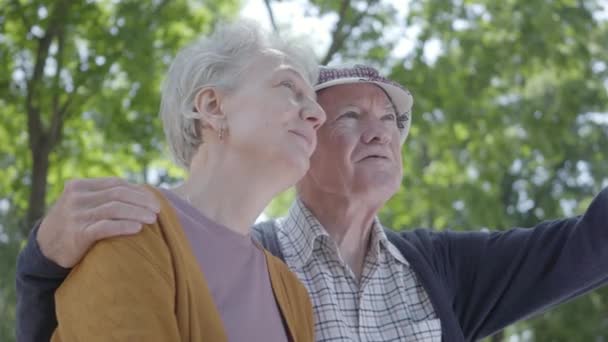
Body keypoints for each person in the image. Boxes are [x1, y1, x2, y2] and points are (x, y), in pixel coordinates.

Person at [17, 63, 608, 341]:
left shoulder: (444, 271)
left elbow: (590, 246)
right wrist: (41, 267)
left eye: (391, 120)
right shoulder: (239, 260)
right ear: (302, 139)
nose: (381, 131)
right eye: (349, 116)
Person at [30, 19, 327, 342]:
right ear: (213, 107)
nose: (317, 114)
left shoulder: (292, 293)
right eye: (288, 87)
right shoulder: (125, 223)